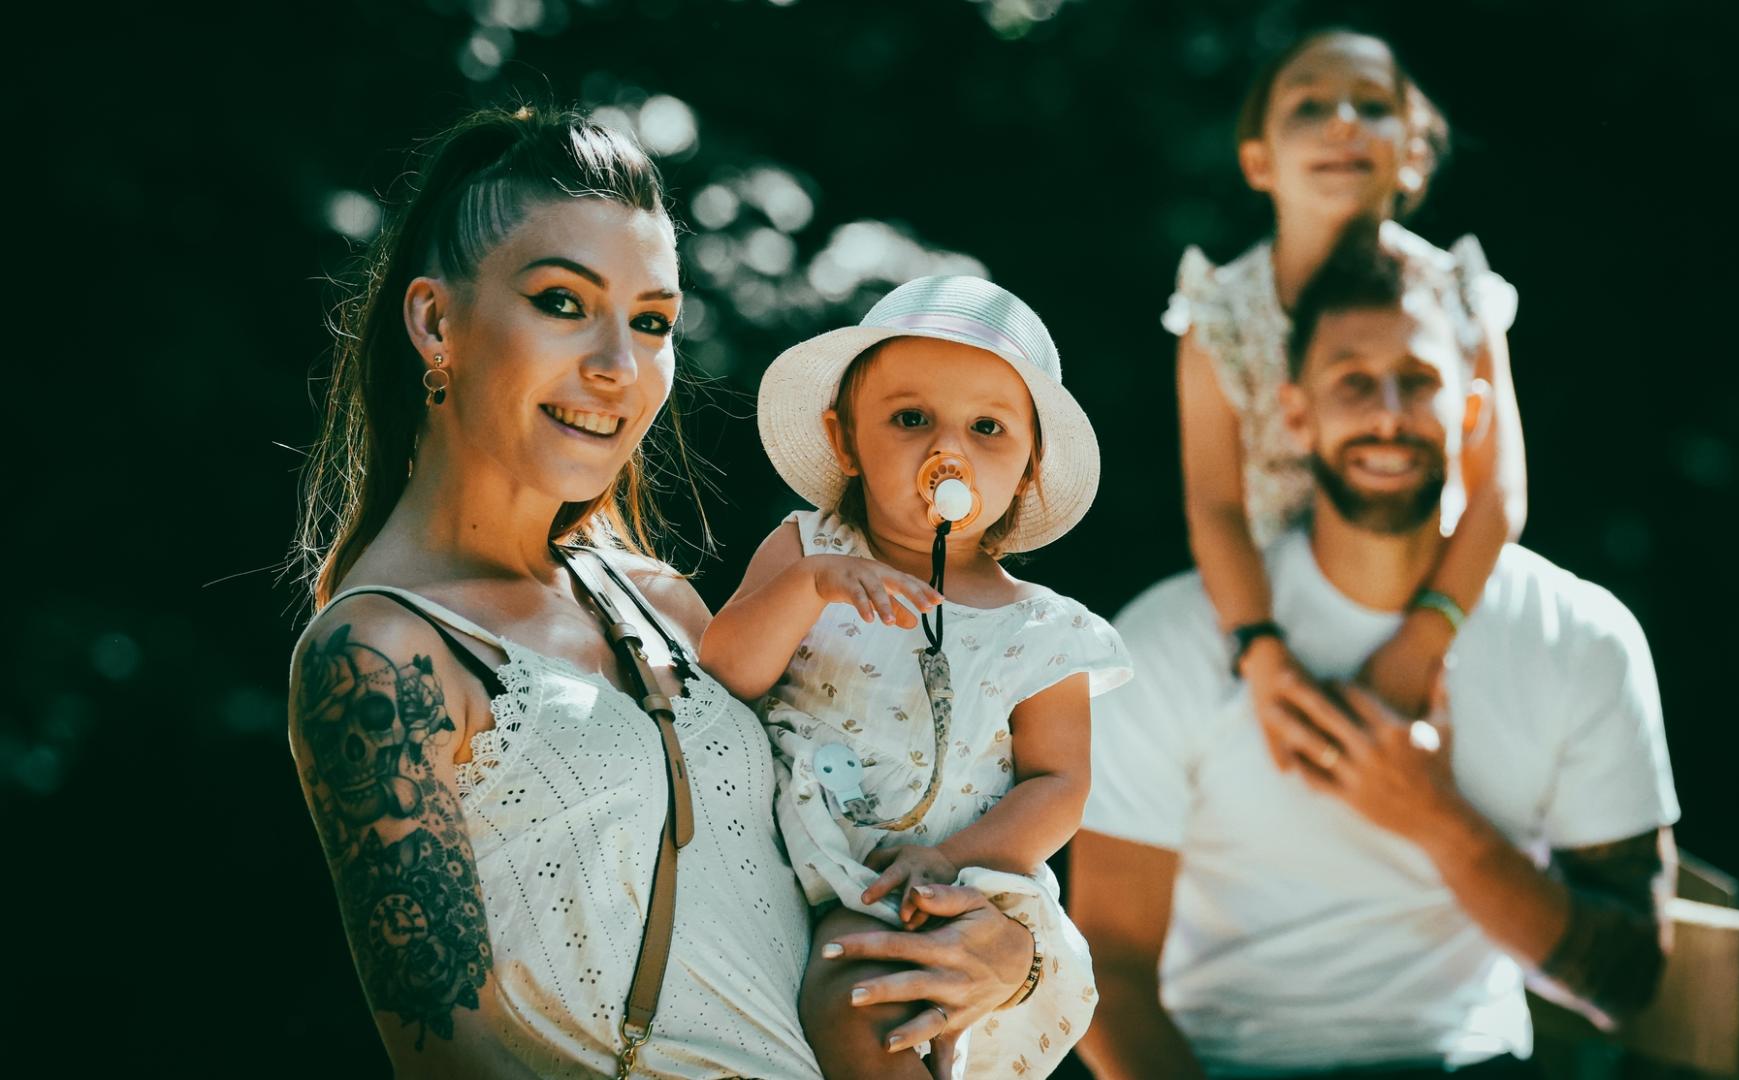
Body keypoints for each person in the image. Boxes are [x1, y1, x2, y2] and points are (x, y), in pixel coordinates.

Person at [287, 106, 1057, 1079]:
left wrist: (1010, 954)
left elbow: (841, 861)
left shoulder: (666, 606)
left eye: (651, 322)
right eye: (563, 302)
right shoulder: (382, 653)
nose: (617, 367)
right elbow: (454, 1061)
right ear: (437, 322)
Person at [1073, 226, 1680, 1078]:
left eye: (1419, 380)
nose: (1388, 412)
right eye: (1353, 382)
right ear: (1295, 414)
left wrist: (1440, 821)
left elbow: (1627, 977)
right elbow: (1109, 963)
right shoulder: (1166, 642)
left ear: (1471, 408)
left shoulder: (1580, 635)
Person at [700, 275, 1131, 1079]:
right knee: (856, 996)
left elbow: (1059, 781)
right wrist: (810, 587)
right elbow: (726, 672)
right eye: (909, 419)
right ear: (844, 440)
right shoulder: (806, 551)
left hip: (965, 887)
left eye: (988, 428)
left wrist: (955, 858)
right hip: (819, 866)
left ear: (1029, 467)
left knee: (874, 997)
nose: (948, 450)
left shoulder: (1041, 629)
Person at [1163, 28, 1527, 756]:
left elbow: (1499, 491)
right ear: (1257, 161)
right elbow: (1215, 505)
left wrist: (1424, 638)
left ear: (1414, 152)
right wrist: (1261, 650)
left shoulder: (1458, 297)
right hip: (1276, 617)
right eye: (1309, 107)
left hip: (1437, 602)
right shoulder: (1219, 319)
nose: (1342, 122)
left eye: (1371, 104)